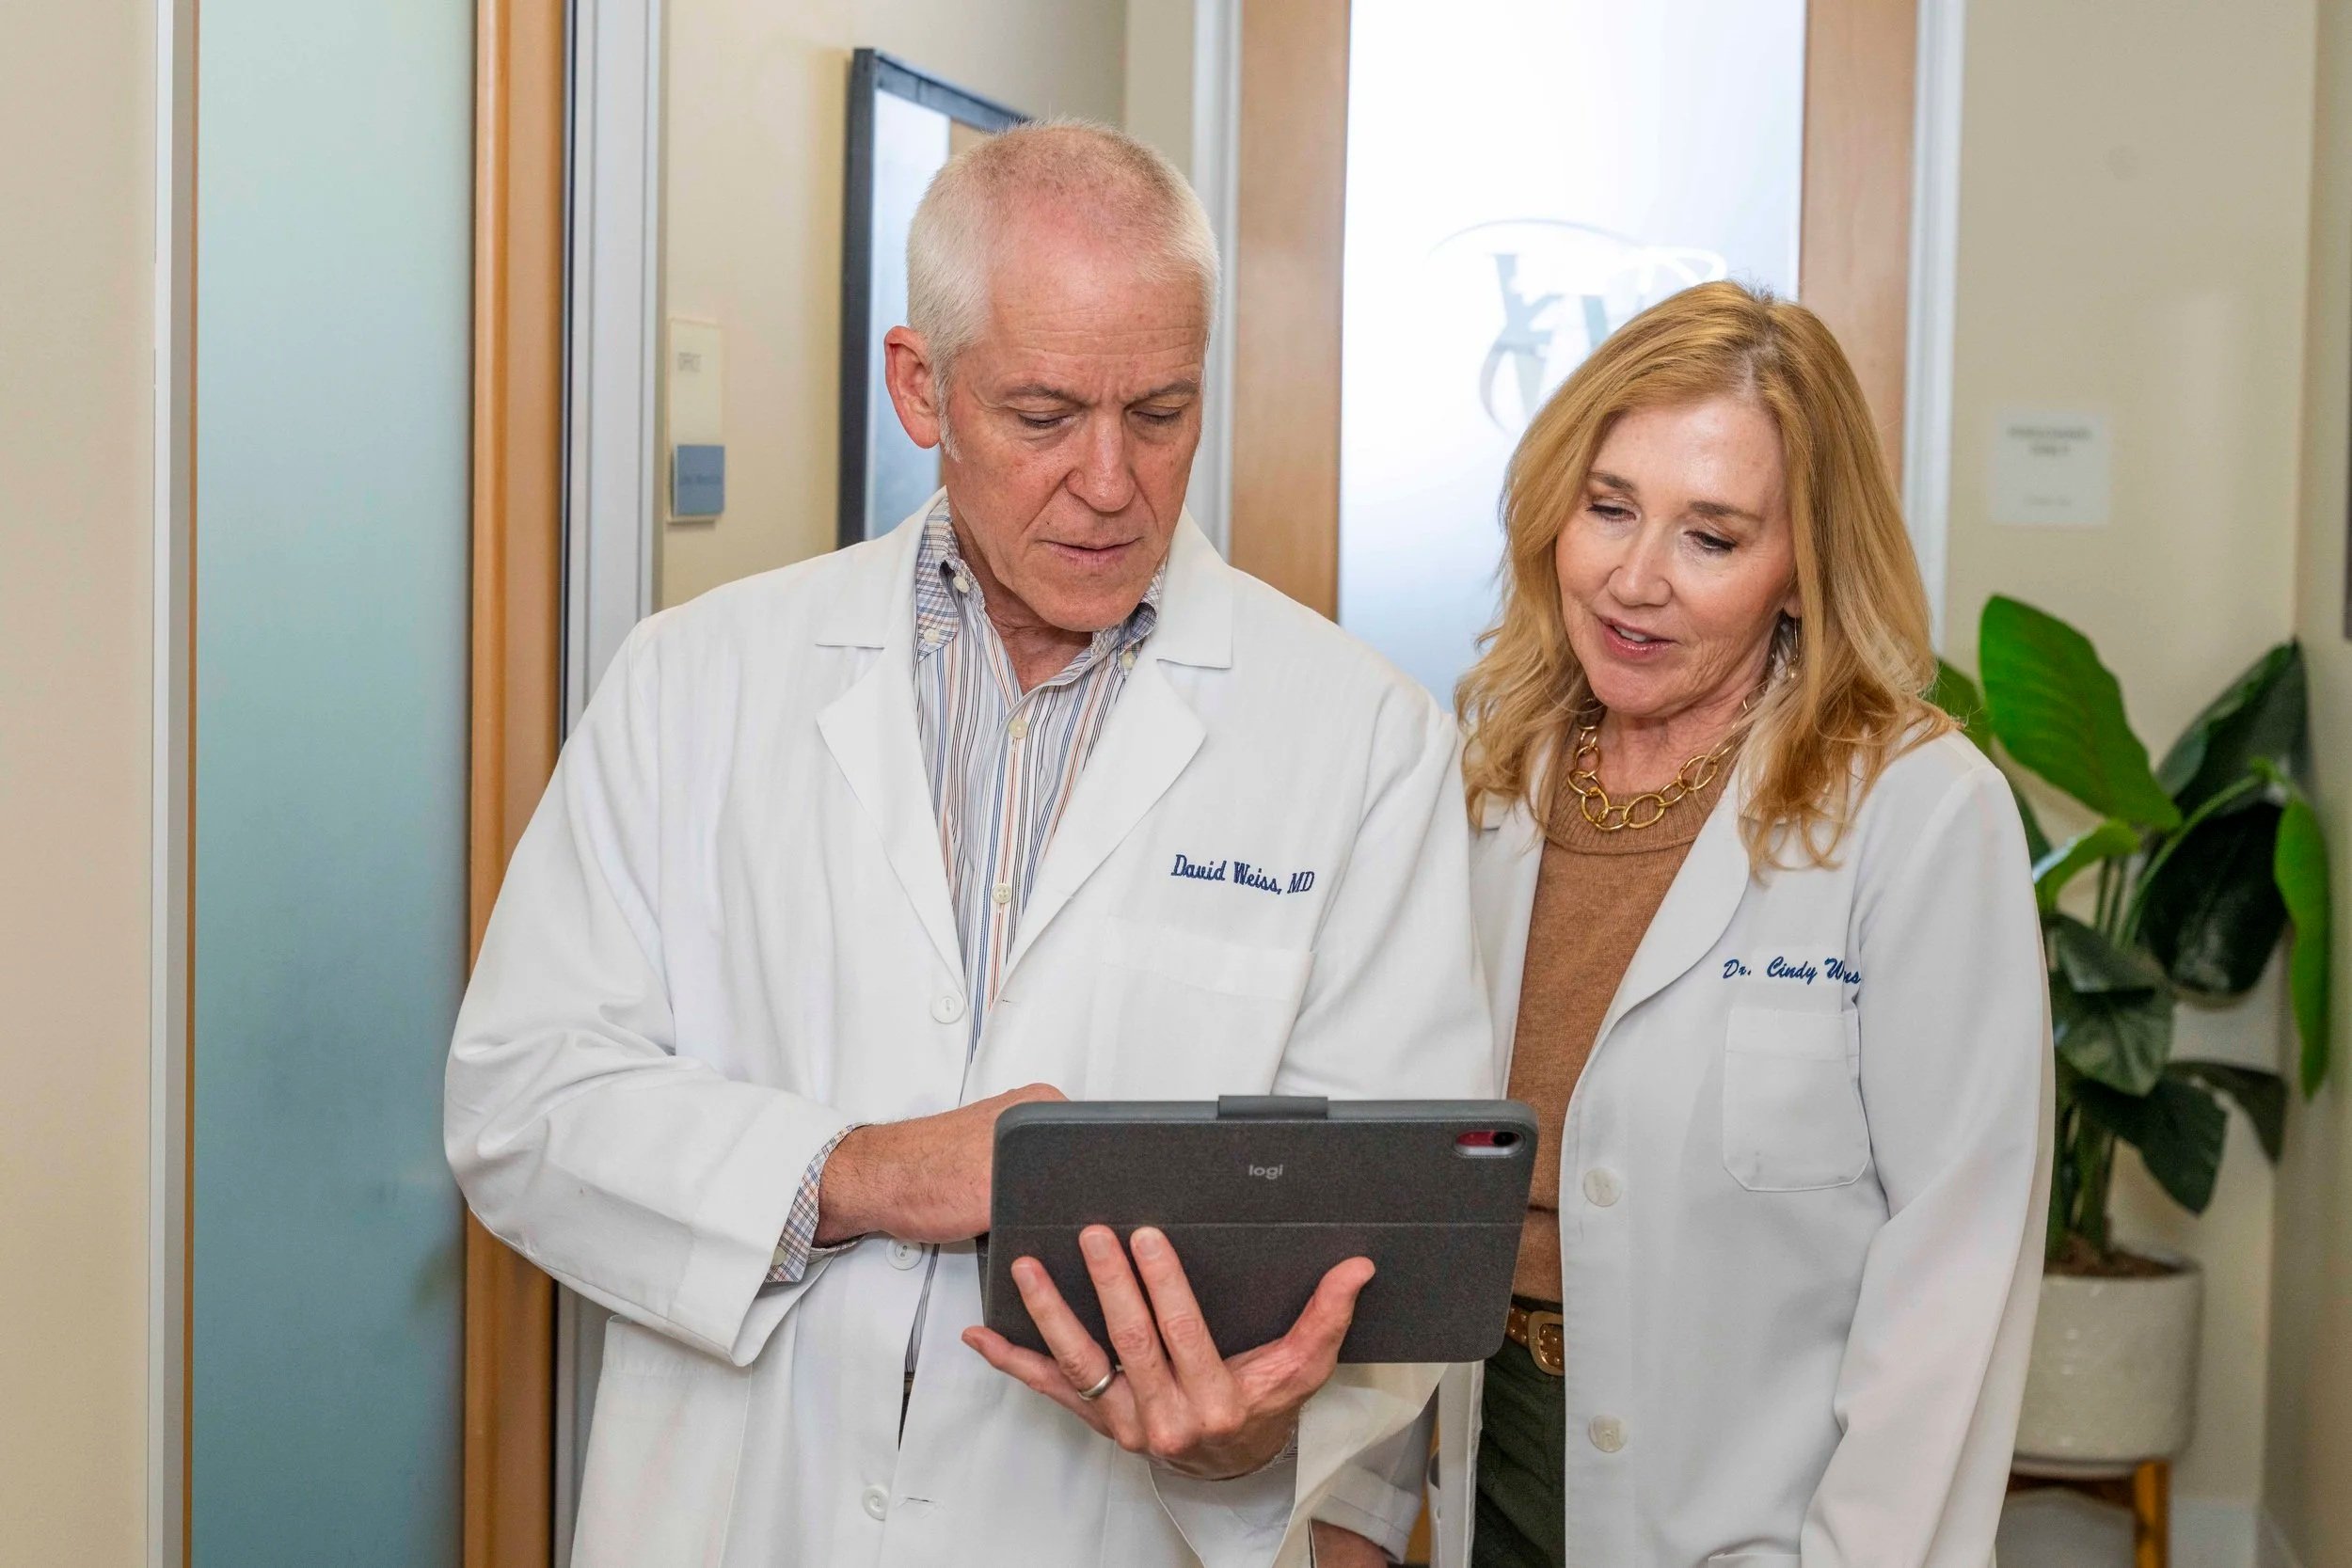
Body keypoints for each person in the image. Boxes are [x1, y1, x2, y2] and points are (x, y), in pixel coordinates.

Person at [444, 120, 1488, 1568]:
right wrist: (863, 1172)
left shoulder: (1360, 740)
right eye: (1045, 416)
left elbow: (1388, 1242)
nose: (1111, 482)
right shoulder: (698, 679)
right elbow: (523, 1102)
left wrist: (1248, 1437)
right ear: (920, 386)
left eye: (1162, 412)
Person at [1424, 281, 2050, 1568]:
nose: (1633, 579)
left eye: (1711, 537)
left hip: (1760, 1508)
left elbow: (1955, 1269)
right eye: (1609, 508)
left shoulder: (1919, 811)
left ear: (1802, 572)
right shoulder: (1481, 781)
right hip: (1483, 1454)